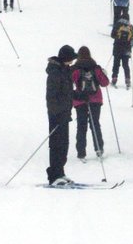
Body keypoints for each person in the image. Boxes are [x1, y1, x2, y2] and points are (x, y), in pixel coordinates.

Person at [46, 44, 78, 186]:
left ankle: (60, 172)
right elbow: (51, 97)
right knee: (56, 145)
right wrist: (58, 113)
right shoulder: (55, 73)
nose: (72, 61)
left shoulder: (65, 70)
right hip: (57, 115)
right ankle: (54, 175)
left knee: (64, 144)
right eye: (71, 59)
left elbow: (67, 92)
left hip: (65, 114)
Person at [71, 46, 110, 160]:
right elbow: (105, 83)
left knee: (81, 126)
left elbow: (69, 82)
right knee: (95, 124)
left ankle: (81, 153)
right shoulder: (96, 68)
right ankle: (99, 149)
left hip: (80, 100)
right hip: (95, 99)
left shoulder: (75, 69)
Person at [110, 17, 133, 88]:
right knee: (125, 65)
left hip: (117, 48)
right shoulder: (130, 26)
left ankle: (114, 78)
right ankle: (127, 79)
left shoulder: (118, 24)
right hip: (127, 49)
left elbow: (112, 35)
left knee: (116, 64)